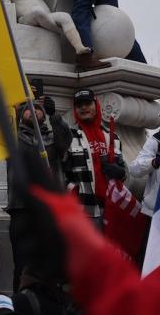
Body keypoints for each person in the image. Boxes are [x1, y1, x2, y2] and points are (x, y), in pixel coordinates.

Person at [5, 86, 68, 289]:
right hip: (21, 207)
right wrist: (13, 108)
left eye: (38, 108)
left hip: (49, 209)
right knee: (22, 264)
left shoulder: (52, 138)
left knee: (52, 263)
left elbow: (65, 142)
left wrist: (55, 116)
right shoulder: (14, 139)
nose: (33, 111)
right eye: (28, 108)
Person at [61, 88, 125, 228]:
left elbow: (123, 170)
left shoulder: (113, 137)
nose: (83, 108)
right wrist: (73, 191)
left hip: (111, 210)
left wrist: (121, 172)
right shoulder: (68, 136)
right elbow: (60, 172)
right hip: (82, 211)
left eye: (87, 104)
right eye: (79, 105)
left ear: (96, 106)